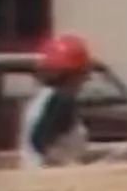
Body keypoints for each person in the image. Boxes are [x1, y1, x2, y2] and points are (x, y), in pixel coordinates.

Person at [18, 33, 94, 169]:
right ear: (73, 74)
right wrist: (70, 165)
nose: (85, 79)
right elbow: (40, 142)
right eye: (84, 73)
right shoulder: (62, 100)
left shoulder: (41, 98)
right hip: (52, 180)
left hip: (33, 175)